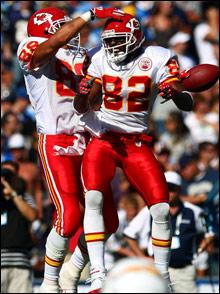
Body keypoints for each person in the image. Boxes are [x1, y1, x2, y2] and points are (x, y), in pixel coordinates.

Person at [74, 13, 194, 292]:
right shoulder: (99, 58)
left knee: (162, 208)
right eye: (109, 41)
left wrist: (173, 91)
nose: (113, 46)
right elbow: (83, 106)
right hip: (104, 137)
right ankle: (98, 273)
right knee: (93, 197)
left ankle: (163, 276)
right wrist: (84, 93)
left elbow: (185, 102)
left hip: (136, 142)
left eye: (118, 40)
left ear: (136, 37)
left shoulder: (158, 56)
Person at [17, 6, 125, 293]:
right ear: (48, 30)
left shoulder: (82, 57)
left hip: (87, 139)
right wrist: (88, 15)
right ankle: (49, 284)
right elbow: (51, 45)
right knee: (70, 216)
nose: (75, 31)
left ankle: (73, 268)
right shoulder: (32, 46)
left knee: (109, 220)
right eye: (64, 26)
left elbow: (92, 99)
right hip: (55, 139)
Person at [123, 171, 209, 293]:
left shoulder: (193, 211)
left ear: (179, 189)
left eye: (171, 188)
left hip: (184, 271)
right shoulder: (150, 210)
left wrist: (198, 253)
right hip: (156, 270)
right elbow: (129, 234)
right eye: (164, 187)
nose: (168, 191)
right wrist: (143, 258)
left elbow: (208, 233)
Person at [1, 162, 38, 293]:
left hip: (20, 264)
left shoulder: (24, 197)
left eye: (10, 174)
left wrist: (13, 194)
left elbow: (32, 216)